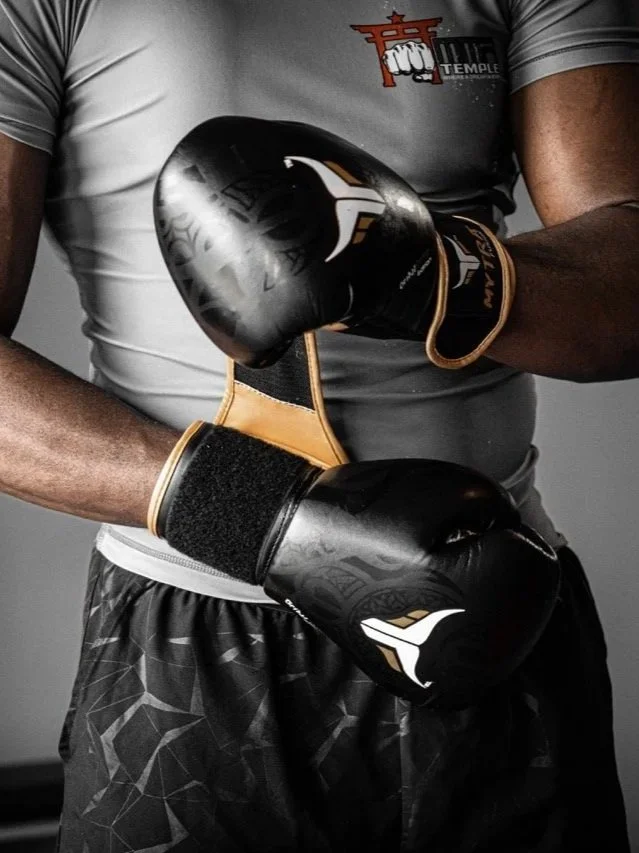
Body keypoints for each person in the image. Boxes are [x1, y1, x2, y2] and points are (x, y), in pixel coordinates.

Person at [0, 0, 638, 850]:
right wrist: (266, 520)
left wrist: (426, 272)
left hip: (484, 601)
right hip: (196, 634)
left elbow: (627, 275)